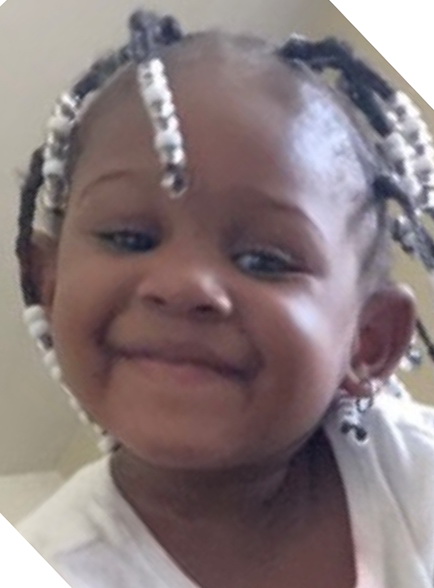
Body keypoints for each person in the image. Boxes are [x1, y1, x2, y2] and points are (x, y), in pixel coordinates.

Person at [13, 8, 434, 588]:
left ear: (369, 341)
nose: (183, 286)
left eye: (264, 260)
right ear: (49, 283)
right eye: (129, 238)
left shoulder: (417, 474)